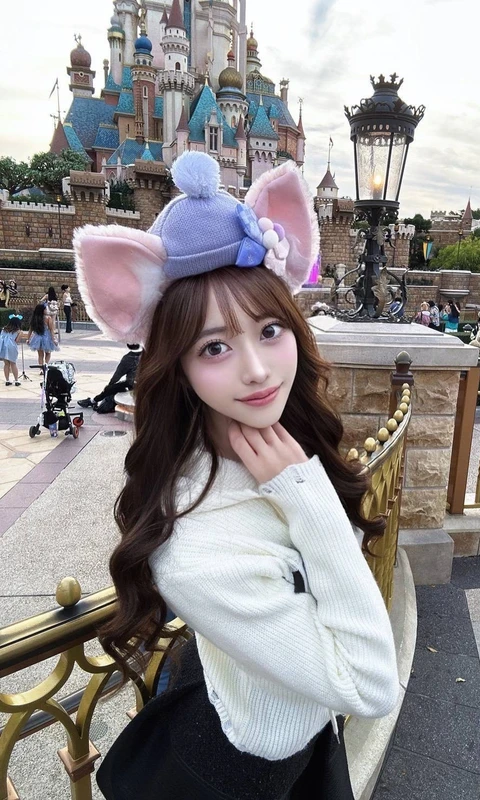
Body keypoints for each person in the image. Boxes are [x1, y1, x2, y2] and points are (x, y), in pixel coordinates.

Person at [75, 152, 398, 799]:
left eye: (270, 329)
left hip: (299, 731)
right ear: (179, 365)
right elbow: (372, 684)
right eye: (215, 346)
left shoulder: (259, 450)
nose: (256, 369)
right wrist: (308, 499)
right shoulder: (201, 549)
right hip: (239, 773)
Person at [78, 344, 142, 412]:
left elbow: (117, 375)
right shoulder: (146, 355)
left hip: (133, 385)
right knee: (117, 387)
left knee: (110, 388)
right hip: (142, 384)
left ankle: (93, 401)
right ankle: (93, 400)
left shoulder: (129, 358)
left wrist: (109, 386)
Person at [28, 303, 59, 369]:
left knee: (40, 355)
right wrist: (54, 339)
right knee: (48, 353)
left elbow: (30, 330)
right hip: (47, 337)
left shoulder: (35, 319)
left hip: (37, 337)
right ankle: (46, 365)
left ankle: (41, 368)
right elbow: (51, 329)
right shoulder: (48, 318)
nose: (46, 310)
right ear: (42, 310)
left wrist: (28, 339)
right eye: (45, 309)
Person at [0, 314, 25, 386]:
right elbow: (16, 341)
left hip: (3, 346)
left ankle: (7, 380)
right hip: (12, 347)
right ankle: (16, 380)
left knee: (6, 364)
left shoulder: (4, 329)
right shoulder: (19, 331)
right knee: (13, 363)